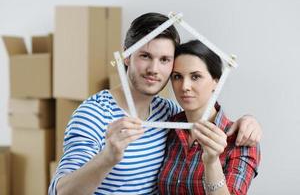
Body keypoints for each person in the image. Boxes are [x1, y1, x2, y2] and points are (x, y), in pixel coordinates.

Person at [49, 13, 262, 195]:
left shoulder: (168, 113)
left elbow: (203, 114)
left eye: (164, 60)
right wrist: (108, 157)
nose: (154, 69)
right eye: (145, 56)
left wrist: (248, 120)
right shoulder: (93, 114)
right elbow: (61, 190)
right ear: (126, 57)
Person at [157, 40, 260, 195]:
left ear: (216, 82)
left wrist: (211, 163)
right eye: (177, 76)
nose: (184, 86)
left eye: (195, 76)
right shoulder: (167, 127)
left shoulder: (241, 140)